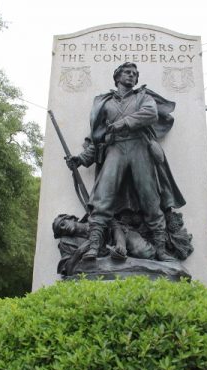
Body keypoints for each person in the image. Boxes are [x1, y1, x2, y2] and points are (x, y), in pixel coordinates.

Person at [66, 62, 185, 262]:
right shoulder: (105, 103)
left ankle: (161, 250)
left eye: (134, 74)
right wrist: (82, 159)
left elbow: (151, 114)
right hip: (115, 149)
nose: (131, 76)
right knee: (102, 198)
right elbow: (99, 137)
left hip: (140, 148)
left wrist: (123, 123)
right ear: (117, 77)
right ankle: (93, 246)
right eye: (127, 72)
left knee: (150, 199)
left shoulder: (143, 97)